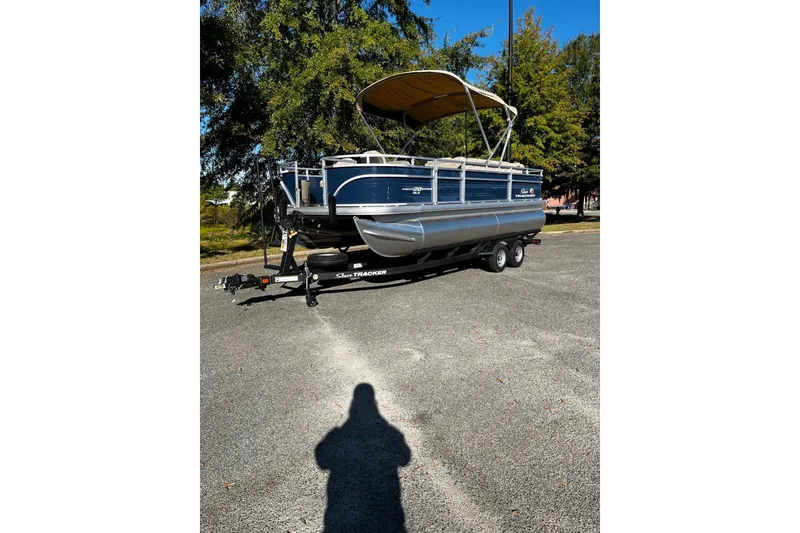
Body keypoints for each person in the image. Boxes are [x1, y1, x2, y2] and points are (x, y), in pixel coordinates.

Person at [316, 384, 411, 533]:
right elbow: (405, 458)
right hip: (385, 515)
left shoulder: (337, 435)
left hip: (342, 515)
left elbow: (322, 460)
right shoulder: (391, 433)